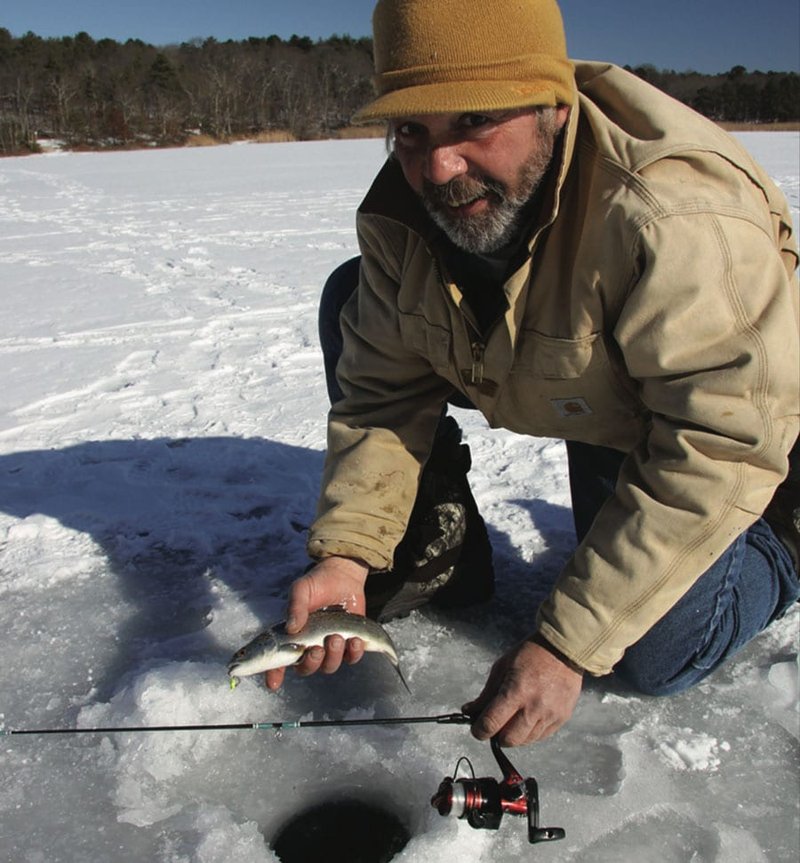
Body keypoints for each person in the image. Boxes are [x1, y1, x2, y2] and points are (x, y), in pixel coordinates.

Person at [265, 0, 800, 747]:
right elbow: (384, 393)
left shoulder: (676, 215)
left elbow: (715, 440)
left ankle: (784, 539)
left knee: (650, 652)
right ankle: (436, 538)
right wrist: (349, 551)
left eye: (474, 120)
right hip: (575, 381)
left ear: (555, 106)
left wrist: (566, 646)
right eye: (411, 130)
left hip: (701, 414)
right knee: (350, 296)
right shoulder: (399, 216)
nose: (439, 167)